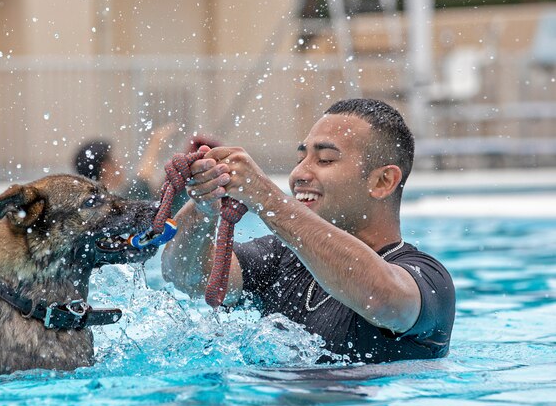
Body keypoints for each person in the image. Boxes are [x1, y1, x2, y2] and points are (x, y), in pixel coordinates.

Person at [161, 98, 455, 364]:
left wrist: (266, 197)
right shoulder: (280, 258)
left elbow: (381, 299)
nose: (299, 174)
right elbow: (187, 276)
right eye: (301, 158)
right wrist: (203, 209)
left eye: (325, 159)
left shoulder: (429, 281)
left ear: (382, 182)